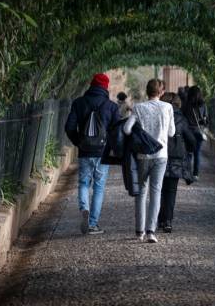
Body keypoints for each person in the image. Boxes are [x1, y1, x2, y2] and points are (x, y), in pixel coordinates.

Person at [65, 73, 120, 235]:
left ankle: (84, 208)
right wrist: (114, 148)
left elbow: (69, 127)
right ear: (105, 87)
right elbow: (117, 130)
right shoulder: (111, 106)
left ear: (91, 85)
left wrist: (78, 142)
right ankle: (93, 224)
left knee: (83, 183)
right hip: (102, 152)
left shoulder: (79, 103)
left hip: (84, 151)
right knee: (99, 187)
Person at [123, 78, 175, 243]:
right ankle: (151, 231)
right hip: (161, 156)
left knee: (141, 192)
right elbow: (172, 133)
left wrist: (140, 136)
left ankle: (139, 231)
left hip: (142, 156)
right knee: (156, 192)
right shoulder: (168, 107)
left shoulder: (138, 108)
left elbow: (126, 129)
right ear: (161, 92)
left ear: (147, 91)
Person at [158, 92, 196, 233]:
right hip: (175, 158)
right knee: (171, 191)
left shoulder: (159, 116)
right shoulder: (182, 119)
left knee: (159, 190)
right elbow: (191, 140)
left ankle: (160, 220)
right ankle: (168, 221)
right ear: (178, 104)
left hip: (159, 156)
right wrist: (189, 150)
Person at [182, 85, 207, 179]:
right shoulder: (203, 104)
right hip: (198, 131)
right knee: (197, 153)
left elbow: (182, 117)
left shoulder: (186, 104)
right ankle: (196, 174)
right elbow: (205, 119)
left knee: (188, 153)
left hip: (188, 131)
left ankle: (187, 172)